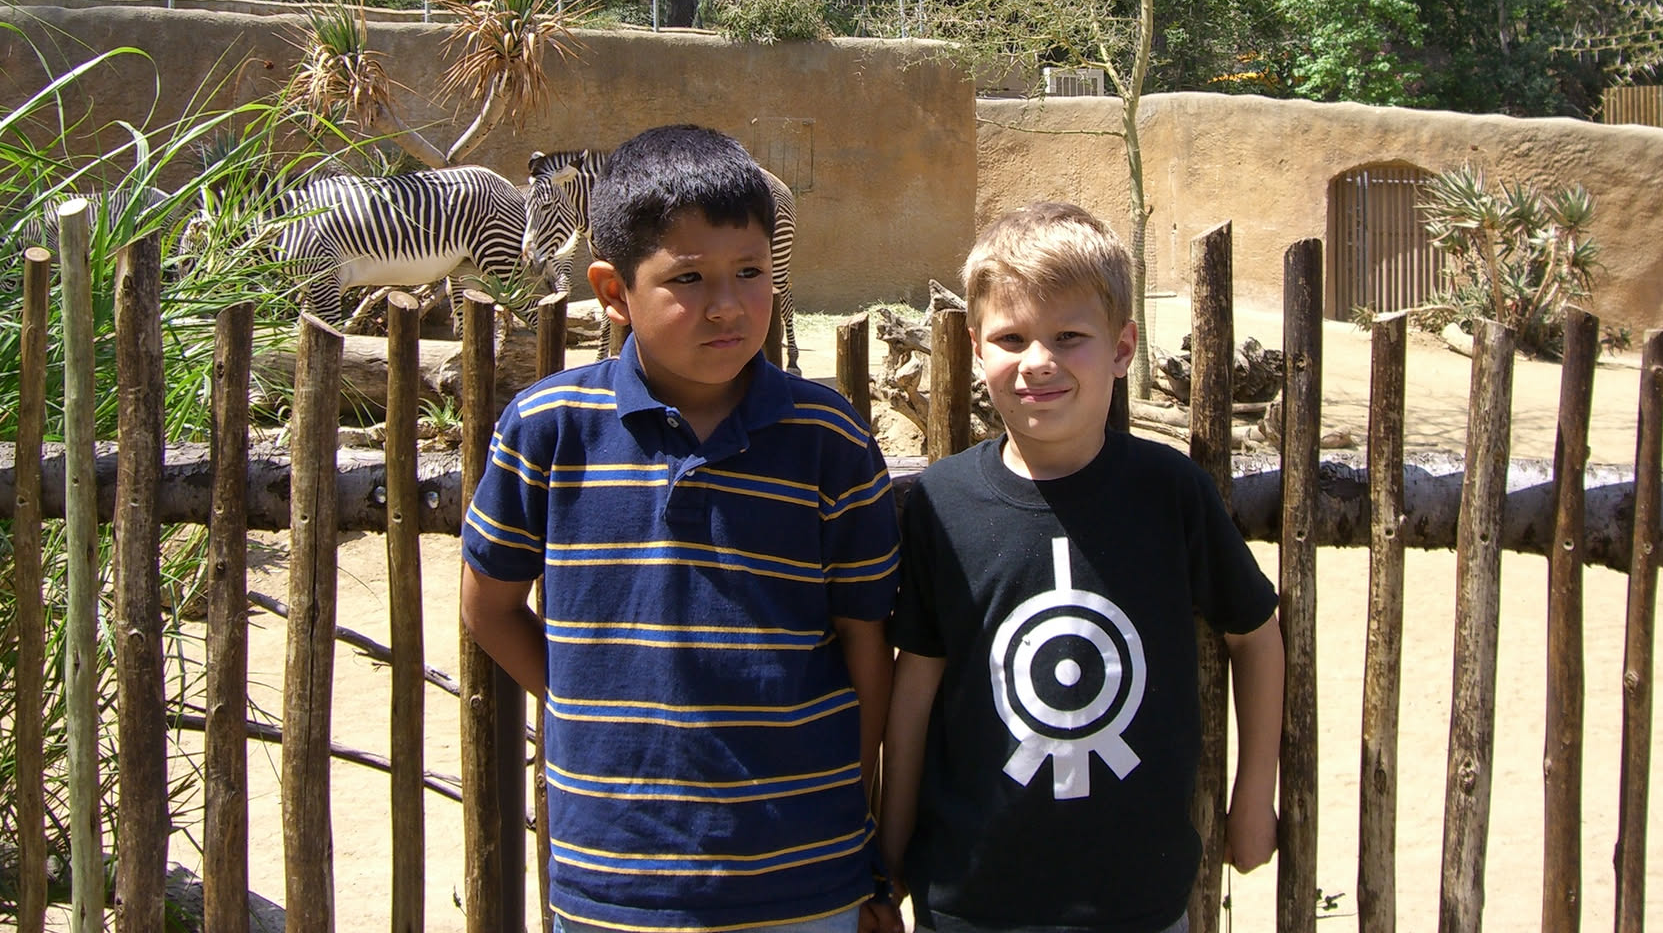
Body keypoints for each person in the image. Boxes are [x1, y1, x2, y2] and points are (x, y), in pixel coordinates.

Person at [461, 124, 902, 933]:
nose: (728, 304)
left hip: (807, 874)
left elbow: (866, 646)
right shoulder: (549, 428)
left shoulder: (828, 440)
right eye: (689, 278)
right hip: (616, 879)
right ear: (613, 291)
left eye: (750, 272)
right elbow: (488, 607)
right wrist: (590, 704)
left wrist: (862, 838)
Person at [881, 202, 1284, 933]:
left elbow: (1255, 636)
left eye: (1069, 336)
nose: (1039, 360)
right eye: (1011, 338)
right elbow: (916, 683)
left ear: (1123, 347)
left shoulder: (1170, 494)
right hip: (971, 897)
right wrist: (891, 845)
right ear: (975, 348)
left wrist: (1254, 794)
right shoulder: (943, 503)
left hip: (1137, 900)